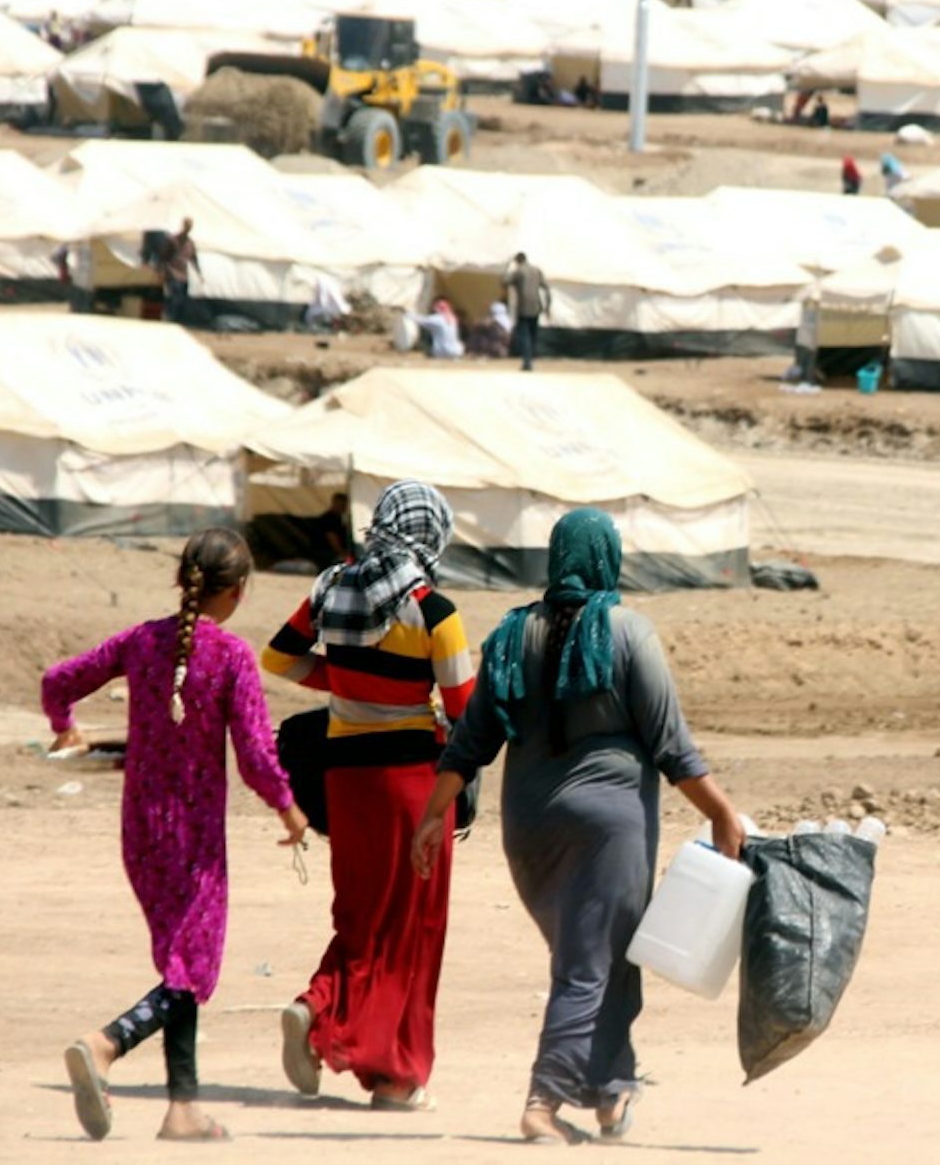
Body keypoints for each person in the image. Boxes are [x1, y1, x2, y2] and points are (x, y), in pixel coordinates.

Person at [411, 509, 745, 1145]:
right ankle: (544, 1099)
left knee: (605, 955)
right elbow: (672, 748)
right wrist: (722, 815)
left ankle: (611, 1090)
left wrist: (434, 816)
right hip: (608, 827)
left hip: (530, 829)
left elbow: (470, 741)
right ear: (607, 560)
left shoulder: (512, 635)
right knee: (587, 965)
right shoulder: (628, 633)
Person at [45, 529, 306, 1143]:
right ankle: (108, 1042)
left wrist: (65, 729)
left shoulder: (141, 641)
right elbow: (256, 756)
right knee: (196, 968)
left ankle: (182, 1108)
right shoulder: (233, 657)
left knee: (181, 962)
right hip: (193, 838)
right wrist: (288, 809)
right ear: (239, 592)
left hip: (140, 829)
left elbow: (59, 681)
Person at [261, 481, 475, 1111]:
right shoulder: (436, 612)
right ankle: (397, 1076)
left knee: (358, 914)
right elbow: (465, 709)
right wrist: (415, 701)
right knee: (412, 927)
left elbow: (278, 659)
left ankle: (318, 1005)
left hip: (344, 779)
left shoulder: (331, 589)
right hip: (412, 785)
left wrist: (344, 682)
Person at [505, 252, 551, 372]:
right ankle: (531, 359)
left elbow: (505, 282)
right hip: (536, 308)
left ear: (517, 261)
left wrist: (508, 268)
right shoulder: (536, 270)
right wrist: (547, 307)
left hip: (523, 308)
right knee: (533, 335)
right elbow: (546, 289)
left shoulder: (518, 271)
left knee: (525, 336)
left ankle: (527, 362)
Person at [157, 218, 200, 324]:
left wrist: (199, 273)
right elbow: (163, 257)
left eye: (190, 226)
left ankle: (176, 320)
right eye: (187, 225)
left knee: (182, 299)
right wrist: (161, 272)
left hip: (184, 276)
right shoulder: (173, 240)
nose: (188, 228)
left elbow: (193, 258)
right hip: (172, 273)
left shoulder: (190, 243)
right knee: (173, 298)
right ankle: (168, 319)